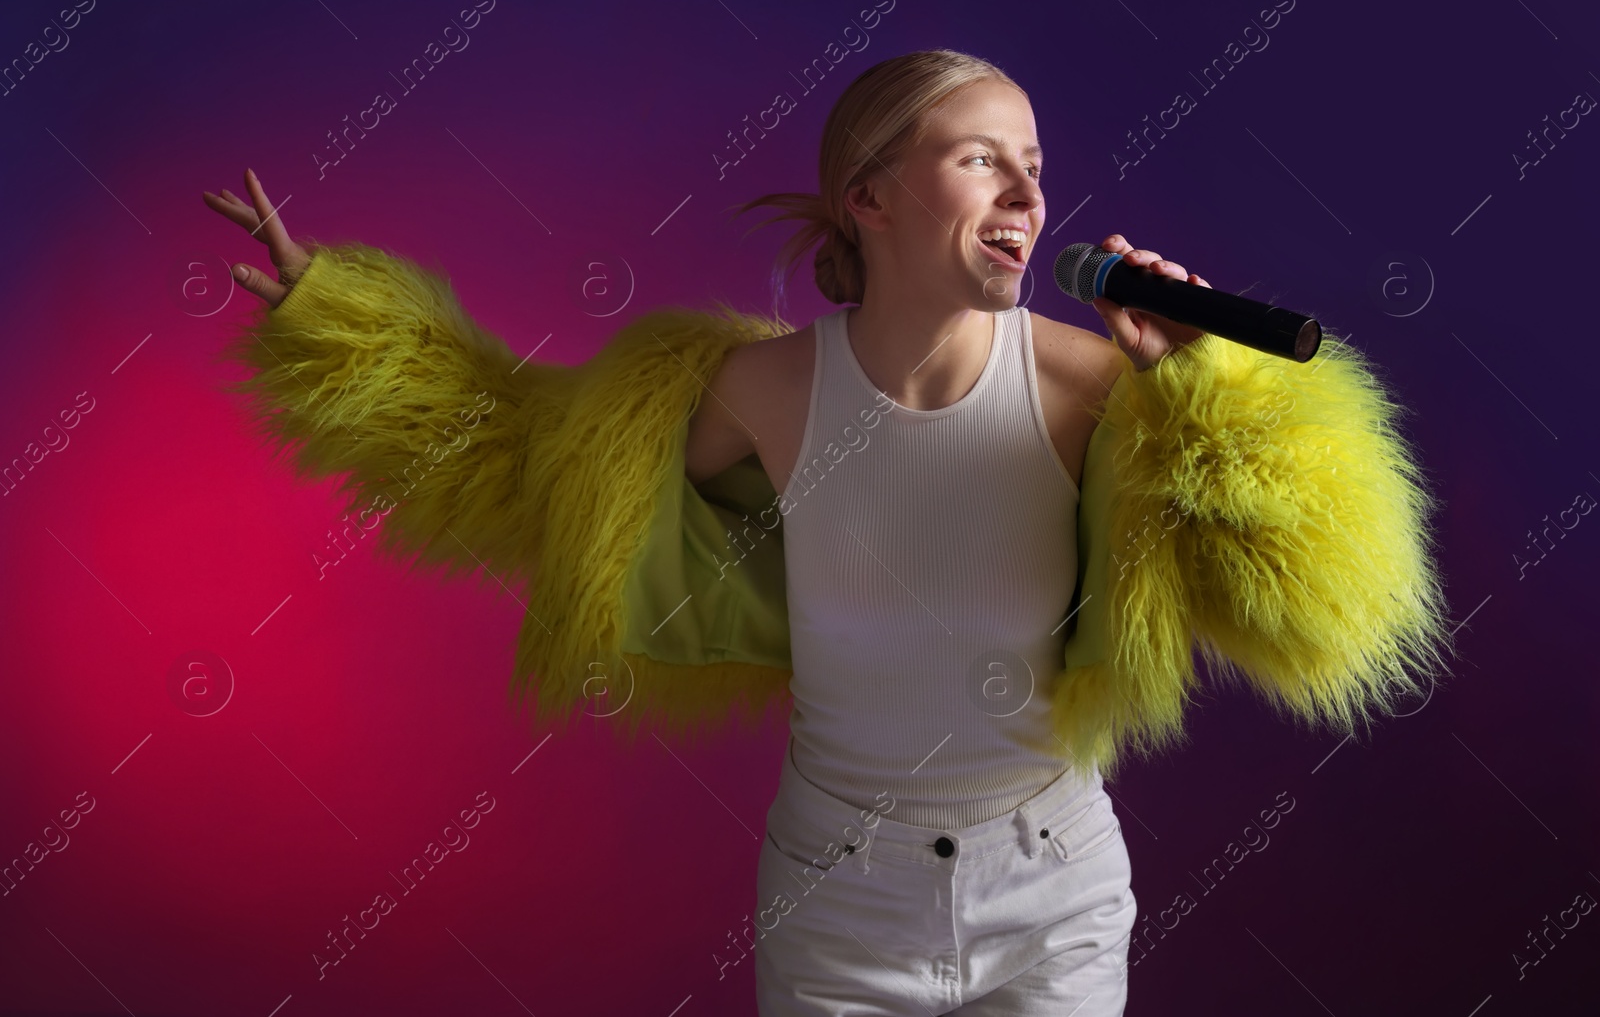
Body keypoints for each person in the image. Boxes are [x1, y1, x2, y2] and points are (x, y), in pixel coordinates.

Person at [205, 49, 1452, 1017]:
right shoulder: (766, 393)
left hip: (1053, 884)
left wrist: (1218, 397)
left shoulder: (1101, 389)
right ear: (868, 196)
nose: (1028, 192)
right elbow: (528, 469)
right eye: (981, 160)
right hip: (838, 890)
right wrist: (339, 321)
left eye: (1034, 163)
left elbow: (1323, 601)